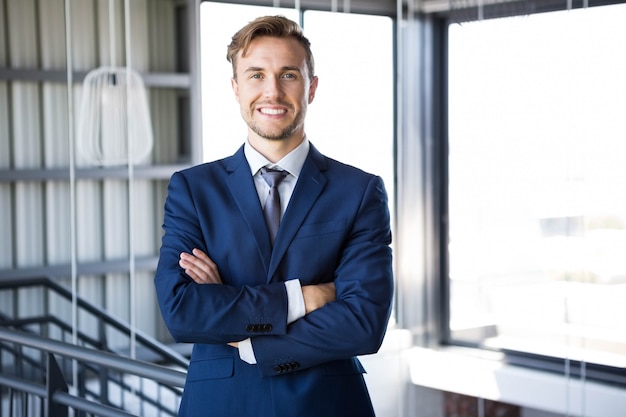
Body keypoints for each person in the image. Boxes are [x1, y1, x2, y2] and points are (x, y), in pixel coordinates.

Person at [154, 15, 393, 417]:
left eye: (288, 75)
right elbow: (183, 310)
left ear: (311, 87)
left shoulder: (359, 191)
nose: (272, 91)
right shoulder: (193, 189)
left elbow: (364, 321)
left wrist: (246, 336)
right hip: (220, 404)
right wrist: (306, 296)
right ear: (235, 88)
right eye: (256, 75)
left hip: (327, 405)